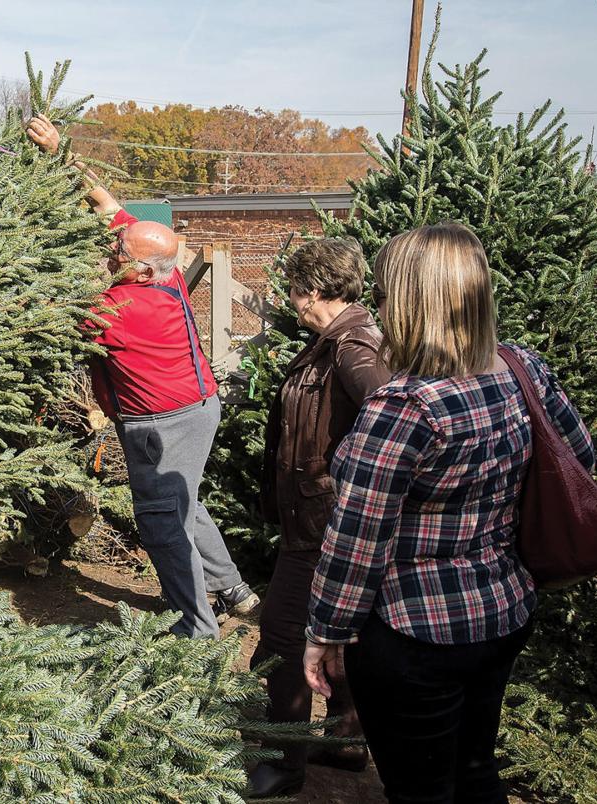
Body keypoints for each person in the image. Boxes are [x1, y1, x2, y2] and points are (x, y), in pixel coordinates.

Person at [303, 223, 595, 803]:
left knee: (420, 790)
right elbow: (579, 458)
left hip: (416, 633)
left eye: (385, 293)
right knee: (475, 772)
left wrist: (326, 634)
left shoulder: (403, 408)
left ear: (410, 301)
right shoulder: (520, 368)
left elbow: (358, 542)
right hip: (504, 611)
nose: (380, 307)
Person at [27, 114, 258, 639]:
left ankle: (196, 626)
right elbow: (108, 207)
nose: (112, 251)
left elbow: (43, 316)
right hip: (198, 407)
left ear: (145, 269)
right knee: (186, 499)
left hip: (162, 423)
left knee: (160, 519)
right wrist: (62, 153)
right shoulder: (166, 270)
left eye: (120, 255)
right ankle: (233, 588)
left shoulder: (118, 309)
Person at [248, 237, 389, 796]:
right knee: (344, 638)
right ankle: (347, 742)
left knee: (282, 633)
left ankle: (284, 761)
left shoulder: (354, 349)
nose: (290, 299)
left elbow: (394, 422)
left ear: (313, 291)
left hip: (324, 526)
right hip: (316, 518)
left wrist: (344, 486)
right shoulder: (334, 341)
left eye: (294, 289)